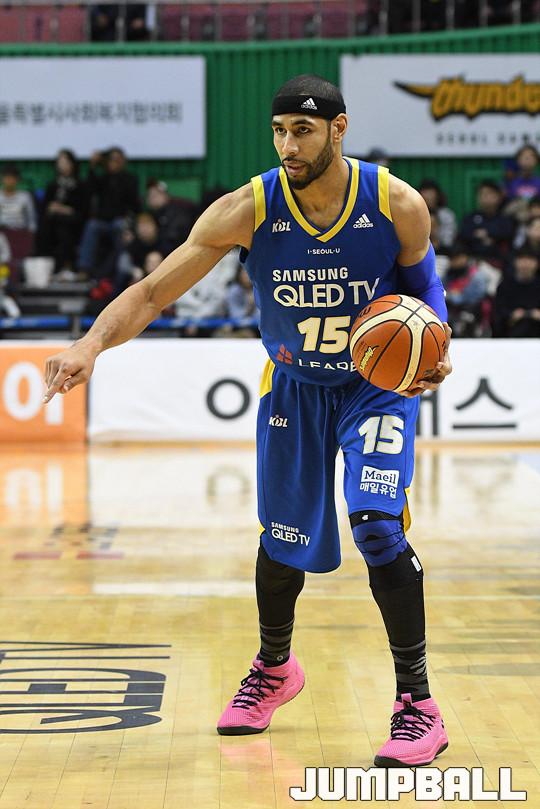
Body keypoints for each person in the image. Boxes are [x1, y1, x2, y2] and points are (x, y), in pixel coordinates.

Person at [43, 74, 452, 768]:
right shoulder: (248, 208)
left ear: (339, 129)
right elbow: (153, 292)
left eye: (303, 131)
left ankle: (418, 705)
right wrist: (91, 344)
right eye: (280, 131)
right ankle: (274, 667)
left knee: (377, 526)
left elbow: (426, 291)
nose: (288, 145)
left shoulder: (395, 203)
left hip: (373, 390)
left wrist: (434, 345)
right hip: (294, 386)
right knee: (282, 541)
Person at [78, 147, 140, 279]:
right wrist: (93, 166)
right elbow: (89, 189)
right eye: (111, 160)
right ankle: (84, 268)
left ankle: (117, 268)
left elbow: (134, 205)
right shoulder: (103, 178)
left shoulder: (129, 179)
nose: (114, 163)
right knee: (91, 226)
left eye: (117, 160)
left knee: (120, 226)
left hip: (121, 219)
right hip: (102, 221)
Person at [36, 149, 87, 276]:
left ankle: (64, 266)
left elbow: (83, 209)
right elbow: (45, 207)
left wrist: (63, 209)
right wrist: (51, 208)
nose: (62, 165)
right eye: (60, 162)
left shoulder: (80, 185)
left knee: (63, 227)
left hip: (73, 220)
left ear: (72, 164)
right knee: (45, 225)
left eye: (65, 162)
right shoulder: (53, 185)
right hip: (53, 220)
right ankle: (45, 266)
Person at [459, 180, 515, 268]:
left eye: (490, 193)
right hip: (472, 262)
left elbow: (507, 234)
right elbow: (464, 234)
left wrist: (486, 233)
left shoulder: (505, 219)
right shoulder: (470, 218)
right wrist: (491, 237)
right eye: (482, 194)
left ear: (499, 197)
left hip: (499, 263)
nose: (486, 197)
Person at [493, 247, 540, 338]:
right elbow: (498, 311)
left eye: (530, 259)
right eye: (522, 259)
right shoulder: (505, 285)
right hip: (511, 333)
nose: (526, 264)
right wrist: (511, 315)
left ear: (537, 263)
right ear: (515, 262)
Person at [418, 179, 457, 251]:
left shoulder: (446, 215)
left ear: (437, 195)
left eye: (431, 193)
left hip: (443, 251)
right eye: (425, 192)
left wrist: (435, 235)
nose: (428, 196)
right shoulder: (415, 214)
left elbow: (448, 241)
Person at [0, 164, 37, 233]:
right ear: (2, 179)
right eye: (7, 178)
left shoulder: (25, 196)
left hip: (20, 232)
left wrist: (30, 234)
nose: (9, 181)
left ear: (17, 180)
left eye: (12, 178)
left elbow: (32, 219)